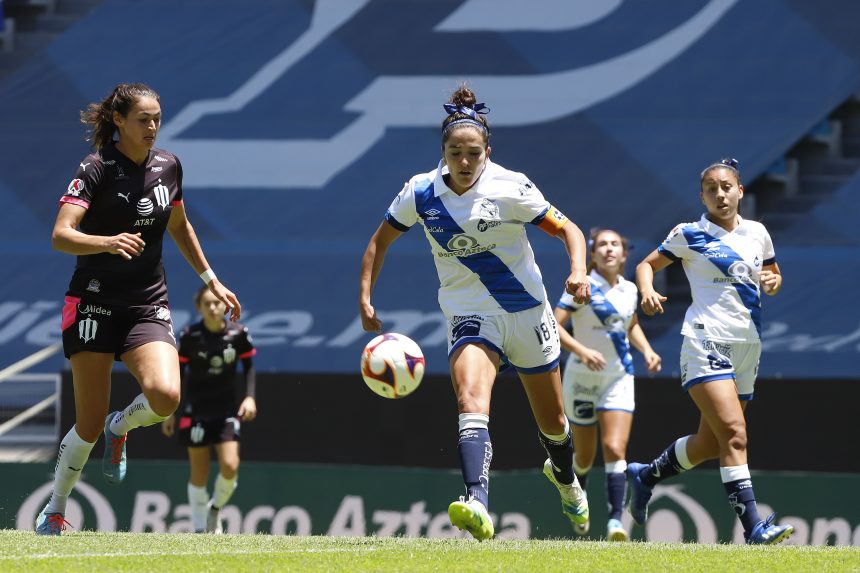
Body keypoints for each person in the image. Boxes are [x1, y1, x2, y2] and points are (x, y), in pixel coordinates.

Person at [359, 85, 591, 541]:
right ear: (442, 151)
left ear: (488, 151)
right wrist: (366, 296)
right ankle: (477, 500)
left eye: (472, 153)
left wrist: (579, 270)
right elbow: (379, 240)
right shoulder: (420, 192)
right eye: (454, 153)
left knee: (555, 424)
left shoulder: (511, 186)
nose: (463, 162)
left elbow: (569, 231)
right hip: (469, 313)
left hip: (528, 312)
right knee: (470, 400)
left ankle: (565, 480)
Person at [38, 83, 241, 536]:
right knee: (85, 426)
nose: (152, 127)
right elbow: (60, 234)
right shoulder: (95, 169)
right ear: (118, 121)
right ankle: (55, 508)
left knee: (166, 398)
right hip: (92, 301)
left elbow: (180, 224)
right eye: (142, 119)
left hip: (147, 303)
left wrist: (213, 280)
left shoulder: (169, 165)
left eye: (157, 118)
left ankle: (121, 426)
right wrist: (108, 242)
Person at [627, 158, 793, 545]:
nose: (720, 194)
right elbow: (646, 265)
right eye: (711, 189)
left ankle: (646, 474)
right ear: (701, 196)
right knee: (735, 434)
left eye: (726, 187)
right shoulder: (689, 234)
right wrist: (647, 289)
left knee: (711, 443)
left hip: (748, 346)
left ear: (740, 191)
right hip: (705, 341)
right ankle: (753, 527)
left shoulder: (758, 233)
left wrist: (773, 282)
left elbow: (773, 276)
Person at [553, 228, 661, 541]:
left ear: (625, 254)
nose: (609, 250)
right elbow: (553, 327)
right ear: (593, 253)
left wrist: (648, 351)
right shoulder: (580, 286)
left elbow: (630, 325)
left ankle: (616, 522)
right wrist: (582, 351)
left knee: (615, 447)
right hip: (581, 379)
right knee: (584, 458)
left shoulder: (629, 290)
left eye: (615, 245)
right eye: (602, 245)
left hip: (619, 376)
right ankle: (578, 504)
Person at [161, 285, 257, 533]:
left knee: (230, 466)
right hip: (195, 412)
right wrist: (171, 411)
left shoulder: (239, 334)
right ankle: (198, 528)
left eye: (217, 303)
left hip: (226, 411)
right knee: (199, 474)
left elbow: (248, 368)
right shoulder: (190, 337)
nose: (213, 308)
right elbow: (178, 374)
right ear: (199, 308)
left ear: (226, 305)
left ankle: (215, 509)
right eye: (207, 304)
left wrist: (250, 397)